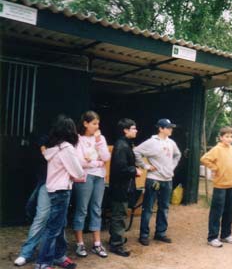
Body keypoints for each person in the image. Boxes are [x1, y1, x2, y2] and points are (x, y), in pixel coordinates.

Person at [35, 115, 84, 269]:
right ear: (71, 131)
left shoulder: (54, 148)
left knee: (60, 225)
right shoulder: (67, 148)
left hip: (55, 189)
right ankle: (42, 264)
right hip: (62, 191)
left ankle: (59, 255)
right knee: (54, 228)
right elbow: (78, 172)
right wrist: (78, 174)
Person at [134, 118, 181, 246]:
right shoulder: (151, 142)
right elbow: (136, 152)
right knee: (148, 208)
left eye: (171, 127)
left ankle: (160, 233)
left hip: (167, 179)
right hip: (154, 178)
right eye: (168, 127)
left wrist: (172, 167)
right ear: (160, 128)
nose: (171, 129)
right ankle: (144, 235)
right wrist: (146, 166)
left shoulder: (171, 143)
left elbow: (178, 155)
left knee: (164, 207)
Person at [73, 111, 110, 258]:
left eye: (98, 123)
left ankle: (97, 244)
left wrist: (99, 141)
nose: (97, 126)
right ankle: (80, 243)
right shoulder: (77, 139)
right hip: (85, 177)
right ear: (85, 123)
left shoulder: (100, 138)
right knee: (82, 209)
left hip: (99, 176)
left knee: (96, 208)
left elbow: (106, 157)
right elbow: (80, 161)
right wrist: (99, 162)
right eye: (94, 123)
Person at [200, 126, 232, 248]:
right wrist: (215, 168)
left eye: (231, 136)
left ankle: (226, 235)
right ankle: (212, 237)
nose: (229, 139)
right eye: (227, 136)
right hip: (220, 186)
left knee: (229, 210)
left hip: (231, 184)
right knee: (217, 211)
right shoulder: (217, 149)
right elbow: (204, 159)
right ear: (221, 137)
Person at [108, 118, 142, 257]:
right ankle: (116, 244)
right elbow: (120, 168)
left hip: (123, 186)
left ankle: (116, 238)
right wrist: (134, 171)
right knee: (119, 215)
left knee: (120, 213)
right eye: (133, 128)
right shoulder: (122, 146)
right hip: (120, 187)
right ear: (125, 130)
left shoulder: (125, 144)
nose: (136, 130)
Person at [14, 134, 49, 266]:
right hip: (47, 183)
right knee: (40, 217)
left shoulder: (70, 145)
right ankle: (27, 252)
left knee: (58, 223)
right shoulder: (47, 141)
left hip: (62, 187)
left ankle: (56, 254)